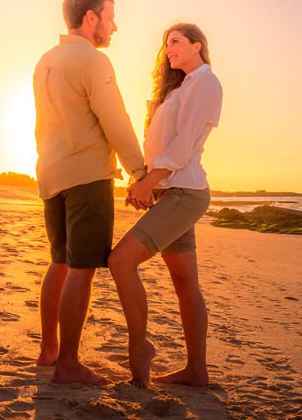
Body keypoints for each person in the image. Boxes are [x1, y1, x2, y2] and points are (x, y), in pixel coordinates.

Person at [33, 0, 147, 385]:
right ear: (91, 18)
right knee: (81, 269)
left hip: (51, 175)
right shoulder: (92, 60)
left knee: (60, 262)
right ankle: (67, 364)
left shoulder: (46, 60)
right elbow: (115, 119)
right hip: (86, 178)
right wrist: (139, 170)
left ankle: (49, 349)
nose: (115, 26)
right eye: (110, 17)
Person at [108, 23, 222, 388]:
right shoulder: (182, 87)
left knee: (120, 261)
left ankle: (139, 349)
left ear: (197, 45)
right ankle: (196, 371)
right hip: (171, 191)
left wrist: (149, 182)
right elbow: (157, 144)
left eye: (175, 42)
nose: (168, 49)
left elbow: (184, 143)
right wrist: (143, 182)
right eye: (166, 44)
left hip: (184, 193)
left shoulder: (205, 81)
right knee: (185, 282)